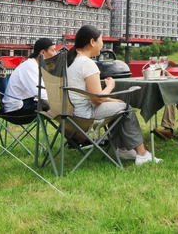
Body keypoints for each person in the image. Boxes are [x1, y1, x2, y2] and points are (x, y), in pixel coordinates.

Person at [66, 25, 161, 166]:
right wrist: (110, 86)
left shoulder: (71, 61)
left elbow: (86, 94)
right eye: (101, 40)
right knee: (126, 109)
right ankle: (142, 154)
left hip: (68, 115)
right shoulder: (87, 64)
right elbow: (97, 99)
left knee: (118, 107)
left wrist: (109, 99)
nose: (102, 44)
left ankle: (123, 148)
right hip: (84, 116)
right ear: (92, 42)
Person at [2, 38, 56, 114]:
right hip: (17, 108)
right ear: (43, 52)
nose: (55, 54)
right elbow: (38, 92)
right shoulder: (30, 66)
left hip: (26, 102)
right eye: (53, 50)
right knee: (61, 109)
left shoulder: (37, 66)